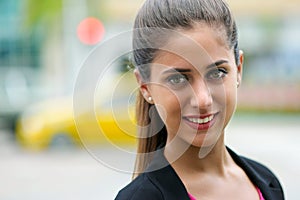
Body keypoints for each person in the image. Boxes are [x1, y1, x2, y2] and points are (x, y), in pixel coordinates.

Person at [115, 0, 284, 199]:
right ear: (145, 86)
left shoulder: (267, 183)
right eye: (177, 79)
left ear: (238, 69)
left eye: (217, 73)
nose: (203, 100)